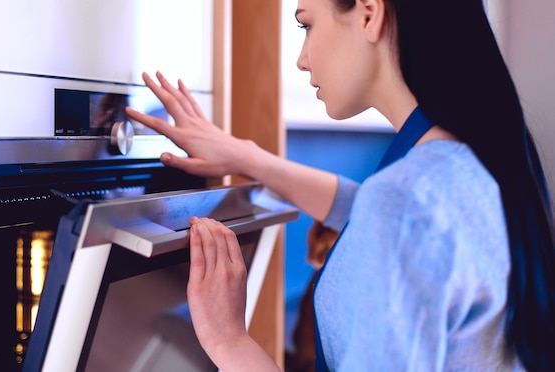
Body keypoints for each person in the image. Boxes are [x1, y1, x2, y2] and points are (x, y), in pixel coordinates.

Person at [125, 0, 555, 370]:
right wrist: (245, 156)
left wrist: (228, 340)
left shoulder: (405, 199)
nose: (302, 58)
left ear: (369, 14)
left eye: (306, 25)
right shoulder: (469, 165)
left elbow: (392, 215)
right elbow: (370, 211)